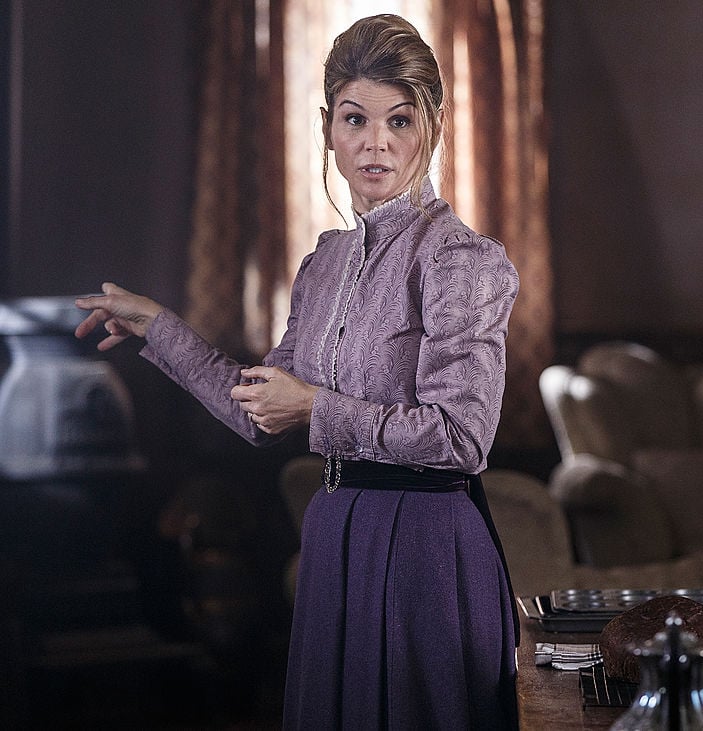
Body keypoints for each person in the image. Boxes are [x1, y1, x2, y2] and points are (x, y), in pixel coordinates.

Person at [75, 14, 519, 730]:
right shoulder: (323, 265)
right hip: (335, 533)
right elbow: (258, 413)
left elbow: (461, 438)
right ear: (329, 129)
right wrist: (159, 327)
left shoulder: (460, 259)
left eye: (399, 120)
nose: (375, 142)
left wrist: (316, 406)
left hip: (427, 547)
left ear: (431, 127)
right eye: (355, 118)